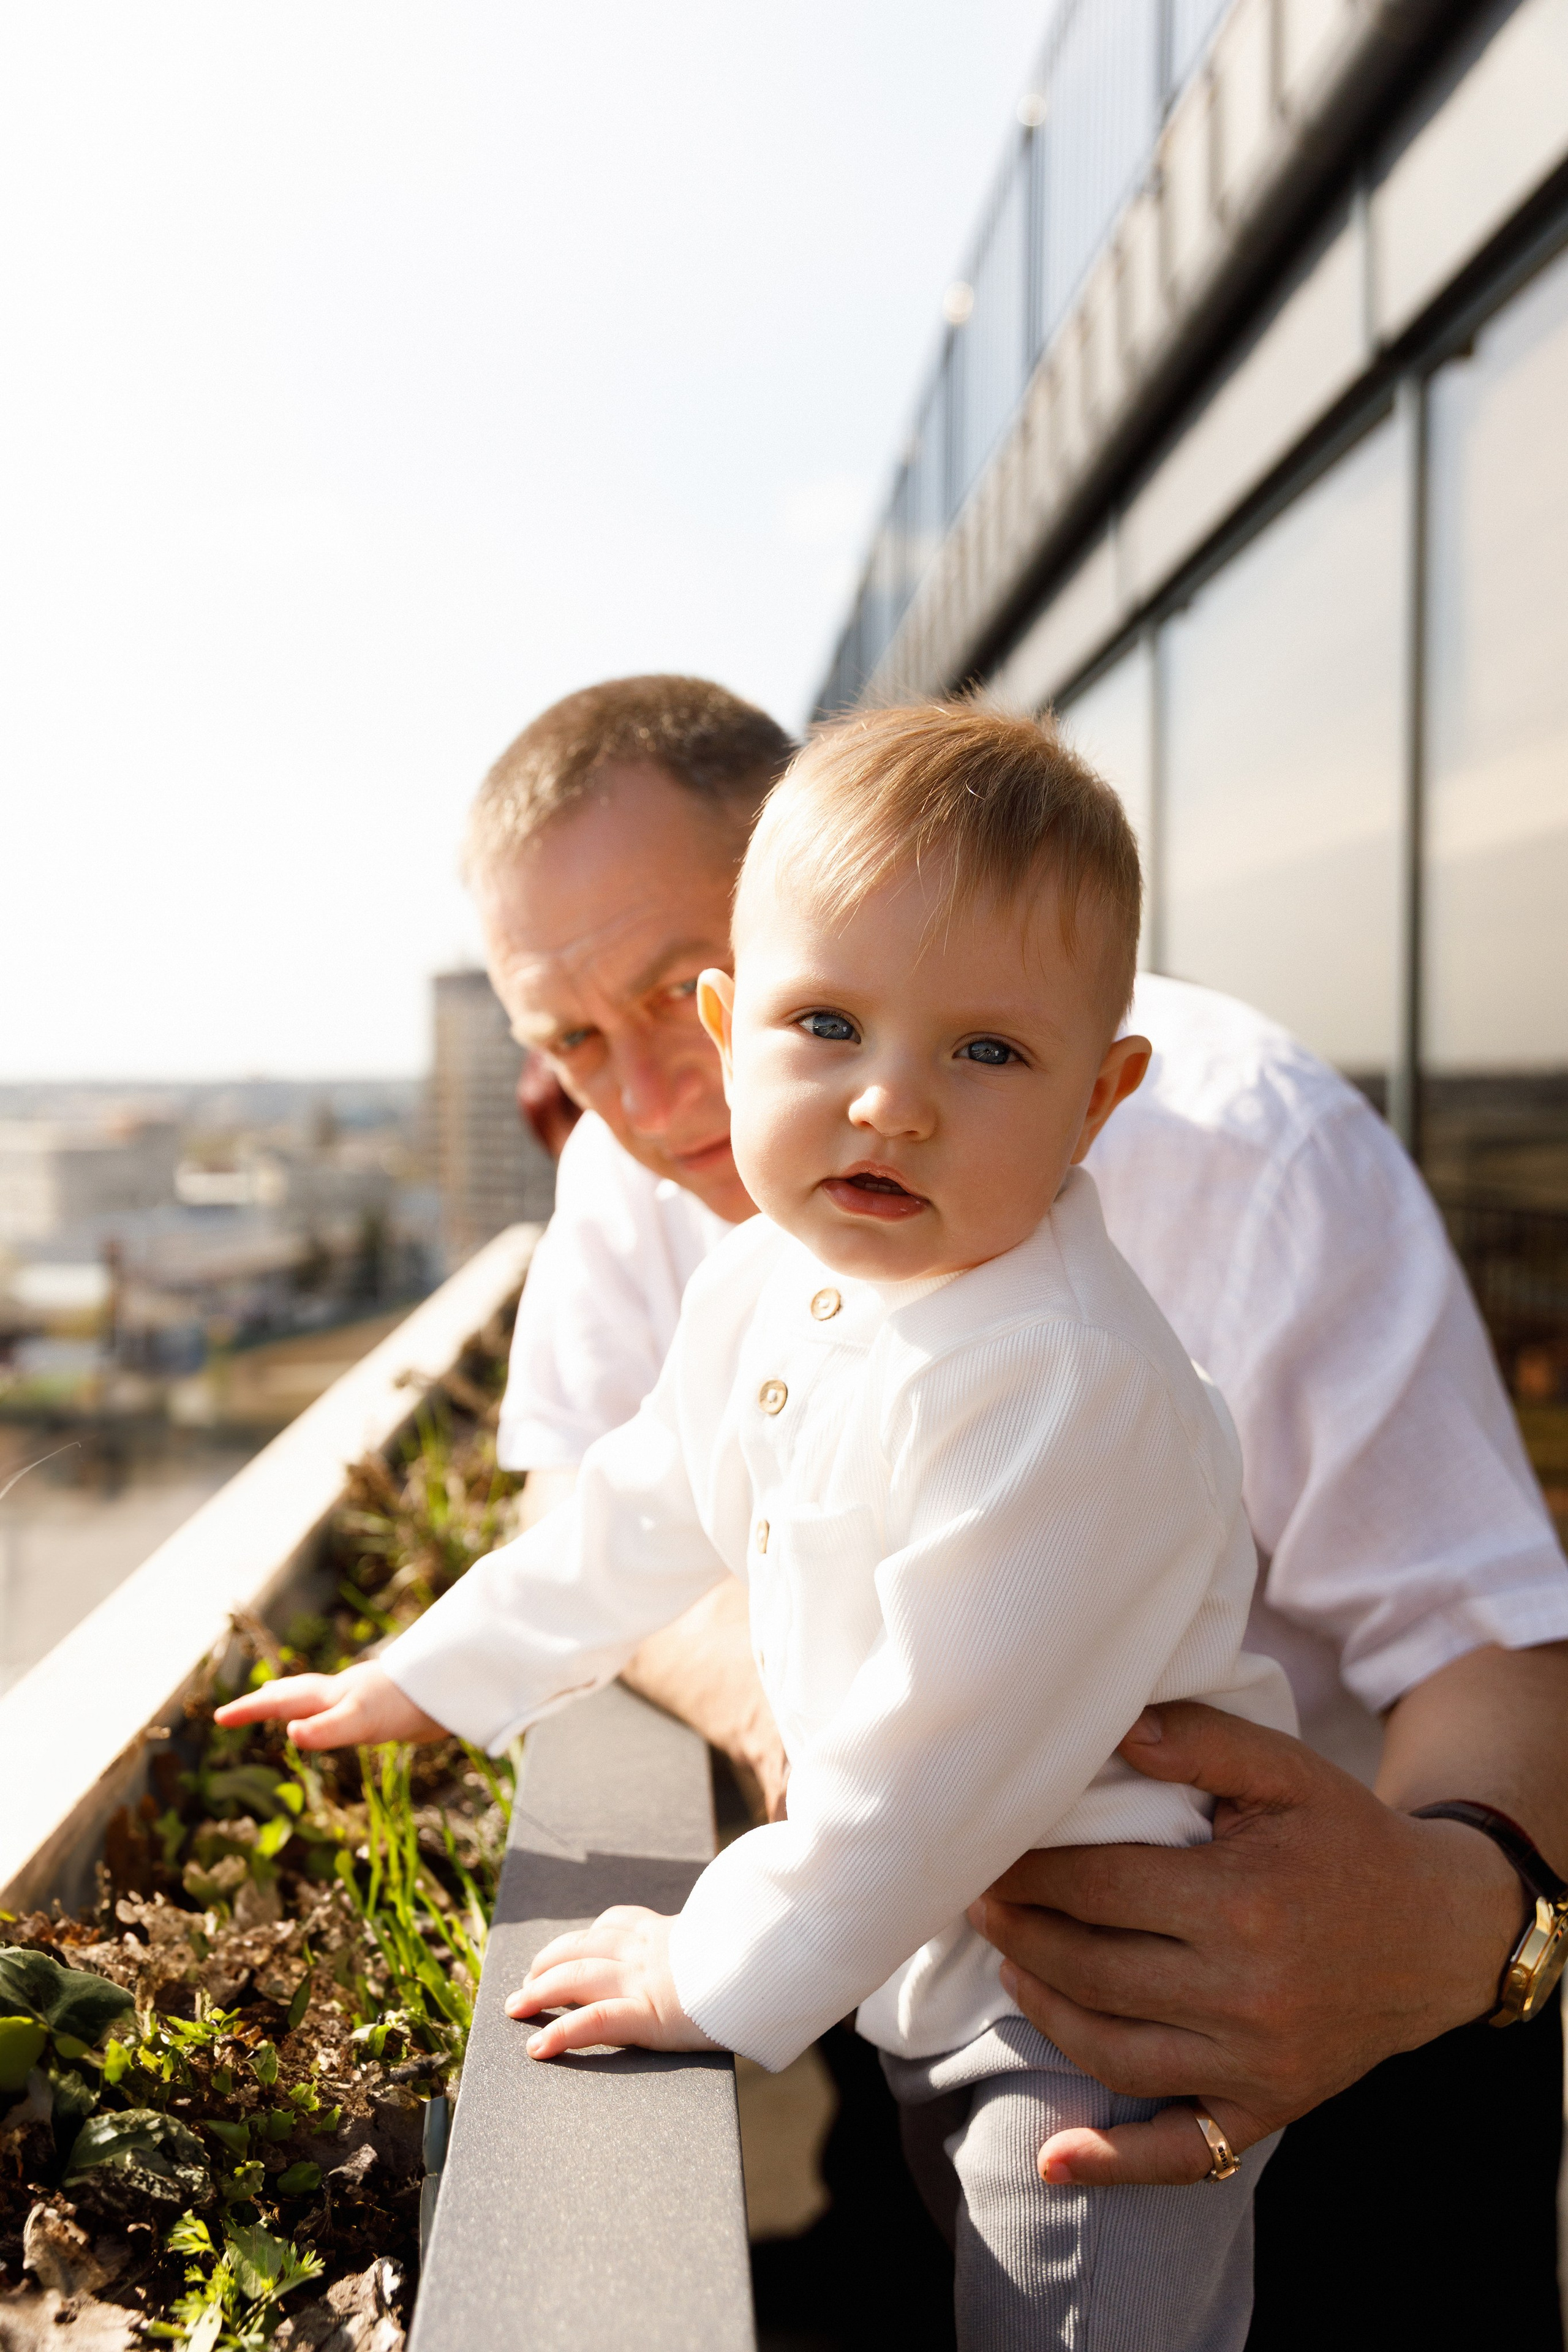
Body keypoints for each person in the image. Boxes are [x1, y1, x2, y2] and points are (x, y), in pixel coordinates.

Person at [461, 675, 1568, 2349]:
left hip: (1331, 2022)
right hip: (910, 1990)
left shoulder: (1250, 1149)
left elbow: (1495, 1640)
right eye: (573, 1040)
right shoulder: (640, 1162)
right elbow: (577, 1477)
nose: (649, 1093)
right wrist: (814, 1716)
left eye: (668, 1001)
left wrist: (1446, 1928)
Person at [221, 704, 1304, 2348]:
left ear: (1100, 1099)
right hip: (925, 1953)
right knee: (953, 2259)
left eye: (987, 1052)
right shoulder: (769, 1280)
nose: (889, 1105)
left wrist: (701, 1975)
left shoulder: (1065, 1386)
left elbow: (930, 1769)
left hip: (1105, 2007)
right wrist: (430, 1679)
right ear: (744, 1030)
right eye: (826, 1025)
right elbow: (644, 1510)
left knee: (1063, 2297)